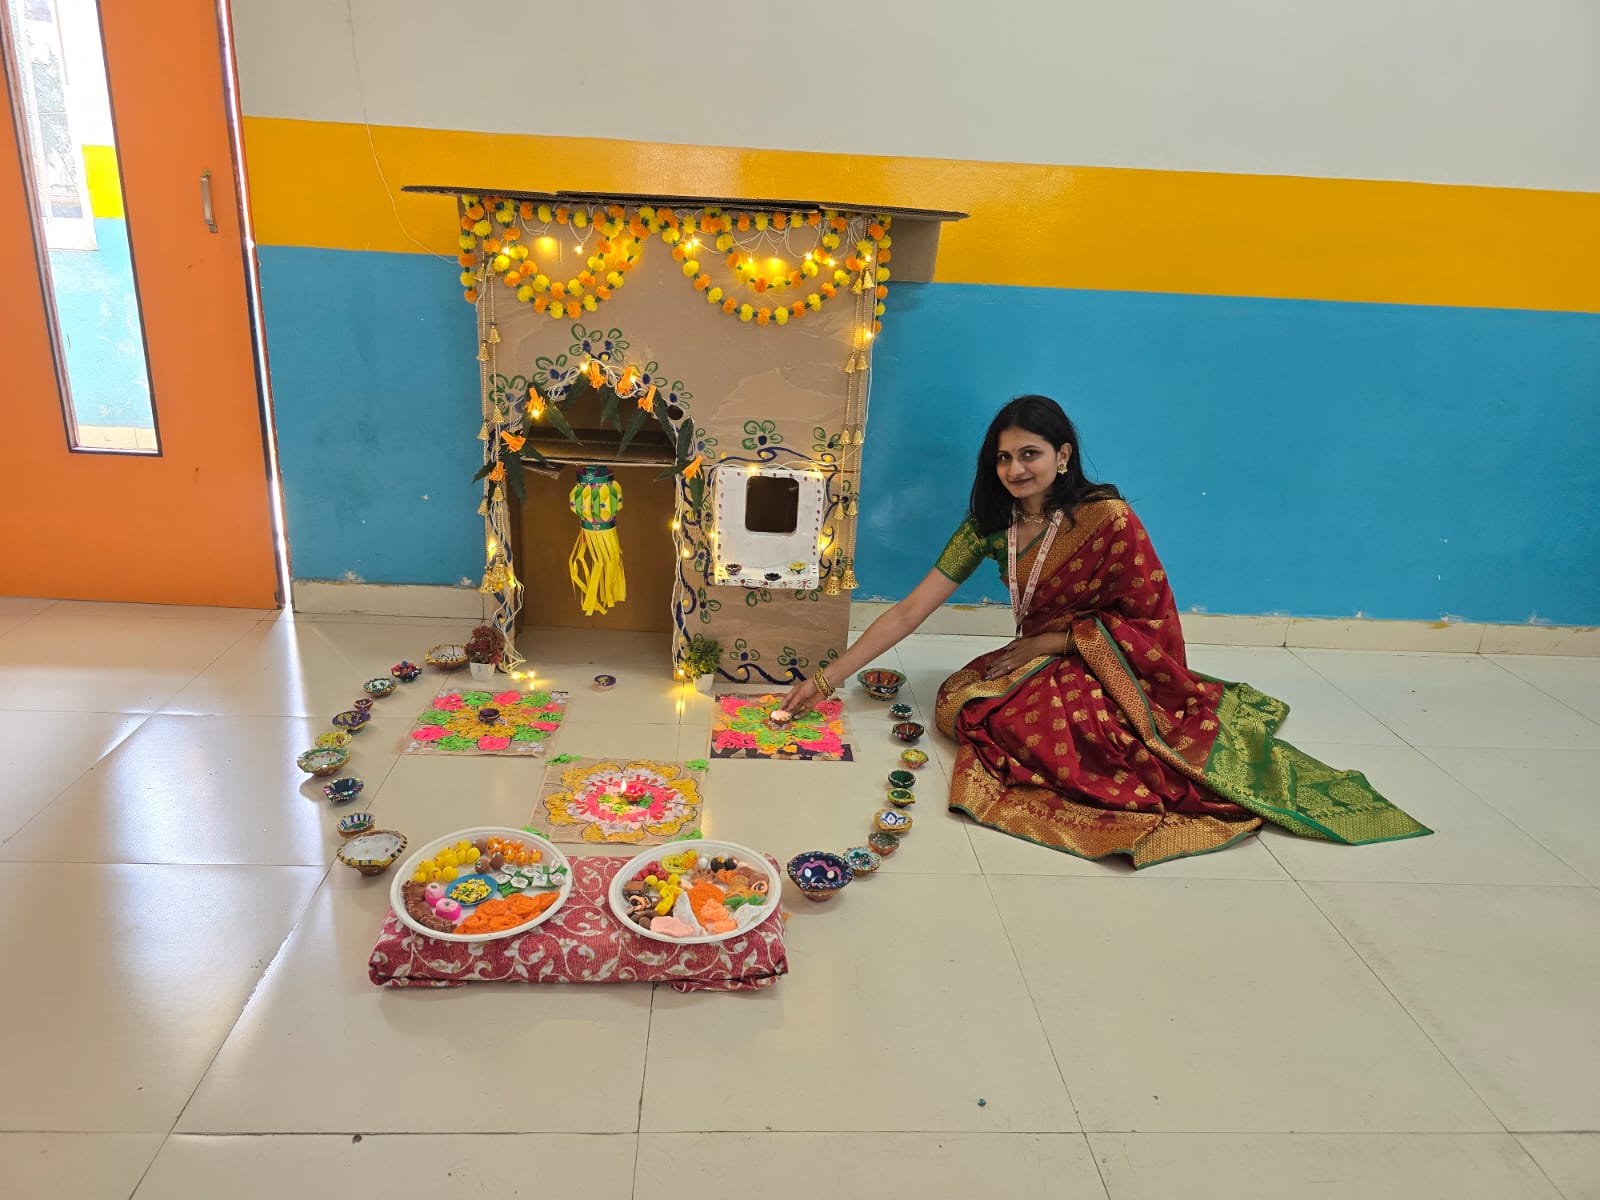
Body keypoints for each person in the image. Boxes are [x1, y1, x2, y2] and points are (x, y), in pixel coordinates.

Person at [782, 395, 1429, 868]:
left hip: (1110, 658)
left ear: (1063, 455)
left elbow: (1151, 618)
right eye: (1004, 457)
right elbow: (909, 610)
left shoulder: (1107, 518)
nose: (1016, 469)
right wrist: (826, 680)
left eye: (1030, 454)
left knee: (1081, 734)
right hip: (1038, 653)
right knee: (963, 701)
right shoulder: (989, 525)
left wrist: (1054, 642)